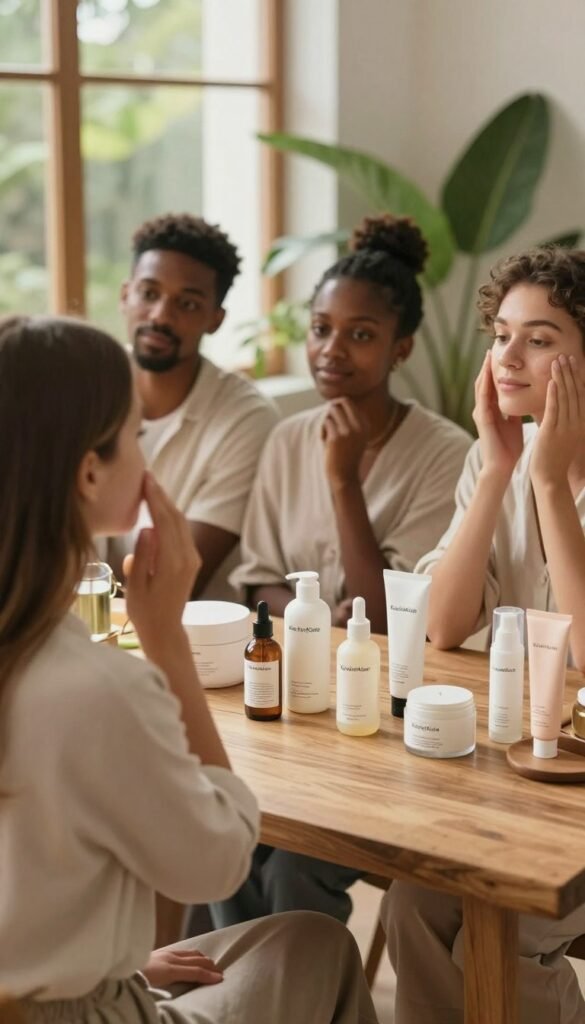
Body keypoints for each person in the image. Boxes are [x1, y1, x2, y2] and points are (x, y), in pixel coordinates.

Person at [0, 315, 378, 1024]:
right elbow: (217, 862)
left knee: (298, 940)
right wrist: (165, 643)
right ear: (89, 471)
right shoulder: (96, 687)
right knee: (318, 944)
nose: (147, 456)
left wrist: (116, 959)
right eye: (137, 435)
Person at [211, 214, 471, 930]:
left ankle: (287, 995)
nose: (331, 350)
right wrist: (303, 636)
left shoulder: (444, 455)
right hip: (292, 710)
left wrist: (343, 483)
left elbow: (388, 620)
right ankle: (236, 994)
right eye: (321, 328)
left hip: (381, 727)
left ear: (401, 347)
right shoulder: (286, 436)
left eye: (360, 334)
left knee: (294, 862)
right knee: (222, 827)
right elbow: (259, 579)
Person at [383, 245, 585, 1024]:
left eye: (538, 339)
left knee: (504, 924)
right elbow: (442, 623)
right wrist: (502, 467)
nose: (506, 357)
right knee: (412, 904)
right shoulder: (500, 453)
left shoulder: (551, 467)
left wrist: (547, 484)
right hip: (523, 775)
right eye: (500, 334)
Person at [107, 213, 278, 600]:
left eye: (186, 303)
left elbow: (173, 583)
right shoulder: (88, 386)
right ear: (125, 295)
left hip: (198, 639)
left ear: (215, 319)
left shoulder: (246, 418)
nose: (161, 316)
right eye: (149, 293)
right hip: (86, 627)